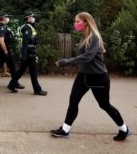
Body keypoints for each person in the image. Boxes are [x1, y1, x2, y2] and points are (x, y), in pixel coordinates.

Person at [51, 12, 132, 141]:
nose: (75, 24)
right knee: (73, 101)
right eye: (75, 21)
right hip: (83, 76)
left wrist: (65, 62)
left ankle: (124, 129)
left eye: (77, 21)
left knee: (104, 105)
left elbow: (87, 57)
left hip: (98, 77)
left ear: (86, 22)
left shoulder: (94, 37)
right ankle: (65, 130)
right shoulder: (83, 37)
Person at [7, 11, 47, 95]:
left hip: (28, 52)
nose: (33, 18)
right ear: (28, 18)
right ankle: (37, 90)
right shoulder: (27, 28)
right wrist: (24, 55)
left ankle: (11, 85)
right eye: (32, 16)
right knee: (33, 71)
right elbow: (26, 42)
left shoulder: (28, 27)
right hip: (29, 53)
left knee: (21, 70)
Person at [0, 13, 24, 91]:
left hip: (3, 50)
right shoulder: (1, 28)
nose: (7, 18)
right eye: (6, 17)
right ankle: (15, 83)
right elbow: (2, 41)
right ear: (2, 19)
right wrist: (6, 51)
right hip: (5, 50)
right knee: (12, 67)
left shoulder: (3, 27)